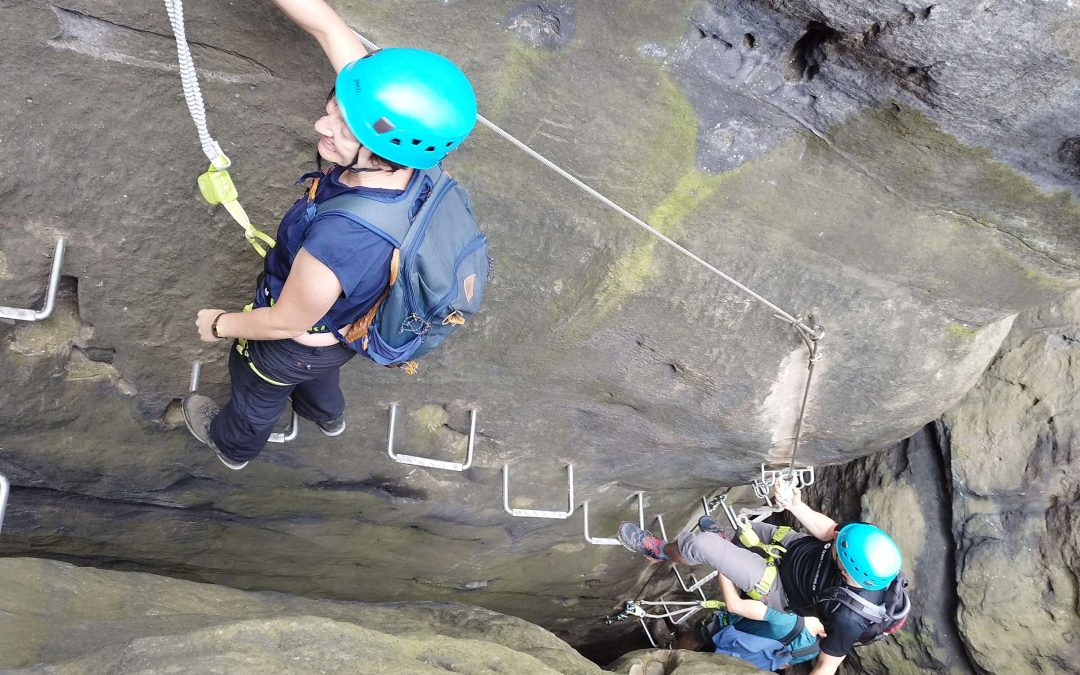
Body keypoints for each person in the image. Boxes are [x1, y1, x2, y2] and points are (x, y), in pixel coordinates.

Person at [182, 0, 477, 470]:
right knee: (322, 377)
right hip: (341, 333)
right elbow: (325, 25)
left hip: (295, 344)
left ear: (382, 151)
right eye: (334, 110)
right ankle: (326, 415)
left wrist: (220, 324)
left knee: (256, 392)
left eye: (343, 127)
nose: (322, 125)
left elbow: (285, 323)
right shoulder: (416, 155)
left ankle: (233, 446)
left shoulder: (341, 241)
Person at [619, 487, 904, 675]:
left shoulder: (849, 619)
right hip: (790, 547)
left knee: (704, 545)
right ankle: (727, 540)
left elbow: (826, 668)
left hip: (779, 588)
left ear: (849, 571)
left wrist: (723, 561)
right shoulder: (863, 539)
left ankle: (658, 551)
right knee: (739, 532)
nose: (837, 543)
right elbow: (830, 531)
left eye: (839, 551)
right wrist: (795, 504)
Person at [671, 572, 823, 669]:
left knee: (695, 635)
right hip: (742, 658)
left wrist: (723, 567)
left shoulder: (786, 616)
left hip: (724, 629)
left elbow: (734, 605)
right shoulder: (812, 650)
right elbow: (783, 665)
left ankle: (671, 650)